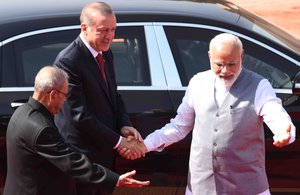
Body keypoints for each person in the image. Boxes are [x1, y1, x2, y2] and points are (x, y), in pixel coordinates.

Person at [121, 33, 296, 195]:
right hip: (200, 185)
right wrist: (147, 144)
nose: (225, 71)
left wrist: (284, 133)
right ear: (209, 57)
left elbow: (275, 113)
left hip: (247, 187)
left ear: (242, 57)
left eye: (232, 64)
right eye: (219, 64)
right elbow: (179, 126)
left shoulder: (259, 85)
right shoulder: (198, 82)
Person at [3, 66, 149, 195]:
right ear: (53, 95)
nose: (66, 100)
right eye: (65, 95)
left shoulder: (22, 112)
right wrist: (115, 179)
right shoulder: (41, 128)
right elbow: (73, 163)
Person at [53, 2, 146, 195]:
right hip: (82, 158)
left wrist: (124, 124)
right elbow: (79, 116)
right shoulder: (69, 61)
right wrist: (120, 142)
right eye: (103, 30)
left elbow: (114, 95)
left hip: (102, 155)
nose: (110, 36)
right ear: (84, 28)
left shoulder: (106, 53)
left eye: (113, 30)